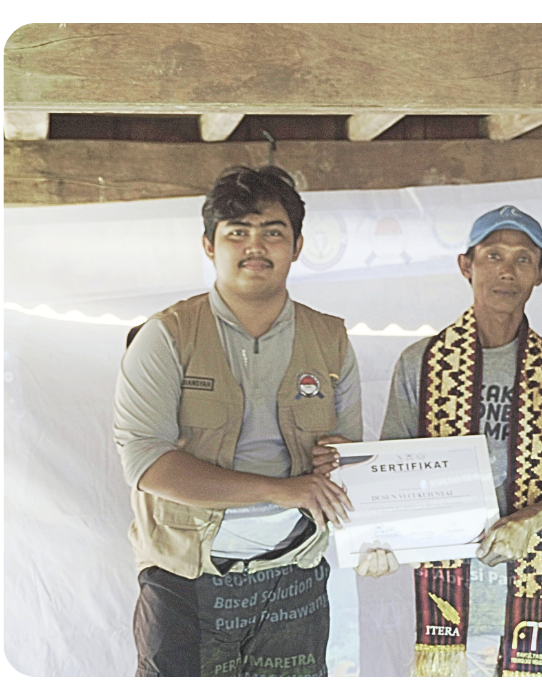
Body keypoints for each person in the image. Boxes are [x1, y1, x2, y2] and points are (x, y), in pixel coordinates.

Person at [113, 165, 361, 677]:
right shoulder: (166, 336)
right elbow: (146, 463)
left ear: (297, 246)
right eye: (237, 232)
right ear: (209, 245)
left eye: (273, 232)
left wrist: (336, 458)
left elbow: (349, 453)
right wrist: (278, 490)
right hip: (185, 575)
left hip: (294, 572)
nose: (256, 246)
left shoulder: (331, 338)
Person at [359, 205, 542, 676]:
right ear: (466, 265)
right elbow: (391, 476)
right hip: (444, 602)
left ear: (541, 274)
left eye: (523, 259)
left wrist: (528, 520)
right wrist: (376, 539)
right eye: (493, 255)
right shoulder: (421, 362)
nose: (507, 271)